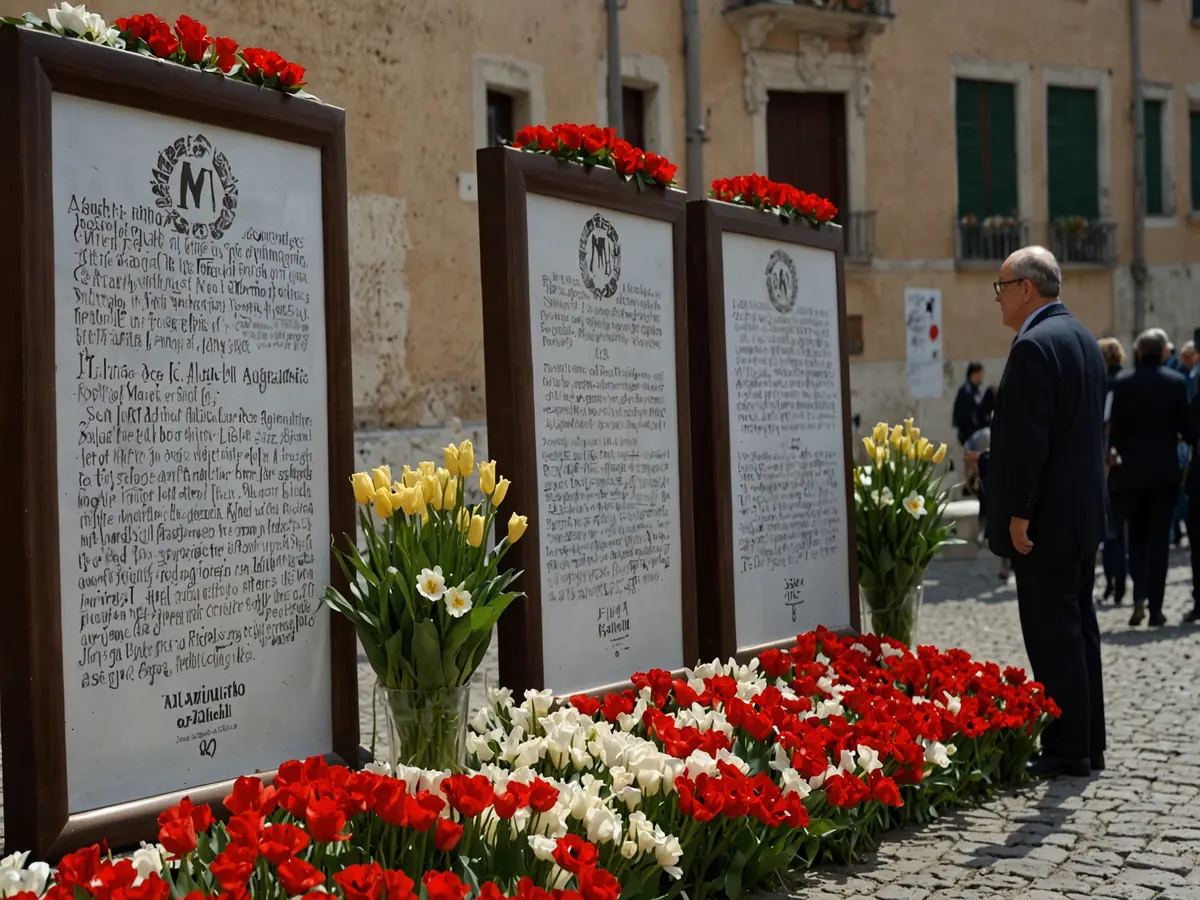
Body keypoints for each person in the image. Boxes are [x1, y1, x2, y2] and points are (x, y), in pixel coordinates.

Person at [986, 245, 1106, 779]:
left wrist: (1019, 513)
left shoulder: (1033, 346)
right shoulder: (1083, 338)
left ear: (1026, 289)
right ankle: (1088, 741)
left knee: (1053, 635)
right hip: (1083, 515)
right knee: (1080, 627)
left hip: (1046, 522)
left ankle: (1066, 749)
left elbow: (1030, 443)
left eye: (1002, 287)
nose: (998, 299)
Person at [1109, 328, 1194, 627]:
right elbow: (1188, 429)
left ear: (1139, 352)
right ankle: (1156, 607)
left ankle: (1139, 597)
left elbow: (1115, 431)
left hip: (1133, 473)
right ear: (1163, 352)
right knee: (1160, 542)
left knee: (1137, 540)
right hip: (1165, 473)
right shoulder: (1175, 383)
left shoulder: (1124, 383)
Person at [1098, 337, 1127, 604]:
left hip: (1111, 469)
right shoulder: (1129, 380)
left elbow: (1105, 427)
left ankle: (1114, 582)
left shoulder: (1105, 385)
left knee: (1111, 530)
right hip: (1135, 468)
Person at [954, 362, 987, 494]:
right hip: (969, 432)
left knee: (974, 461)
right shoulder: (965, 391)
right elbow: (961, 415)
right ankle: (968, 484)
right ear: (974, 374)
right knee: (972, 460)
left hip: (975, 432)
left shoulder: (977, 390)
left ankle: (970, 484)